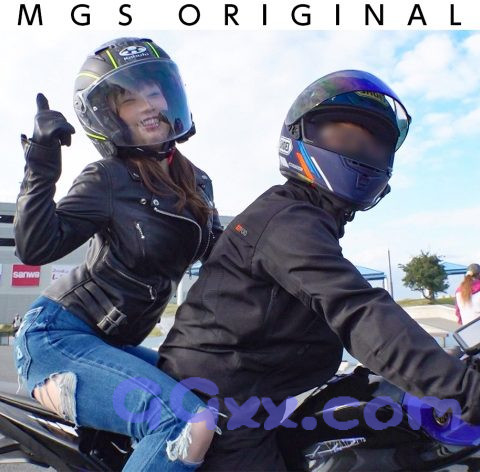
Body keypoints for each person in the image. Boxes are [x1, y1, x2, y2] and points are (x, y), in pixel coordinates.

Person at [158, 70, 480, 470]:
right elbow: (358, 311)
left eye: (374, 144)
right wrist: (463, 390)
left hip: (256, 399)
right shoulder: (287, 220)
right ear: (301, 137)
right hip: (219, 410)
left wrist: (444, 364)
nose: (361, 150)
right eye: (344, 136)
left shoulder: (307, 219)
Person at [13, 37, 223, 471]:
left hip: (114, 344)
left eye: (153, 92)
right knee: (184, 421)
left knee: (218, 402)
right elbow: (36, 246)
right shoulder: (107, 177)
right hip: (57, 335)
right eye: (129, 100)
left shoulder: (197, 182)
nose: (147, 106)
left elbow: (226, 259)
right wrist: (42, 162)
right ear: (110, 117)